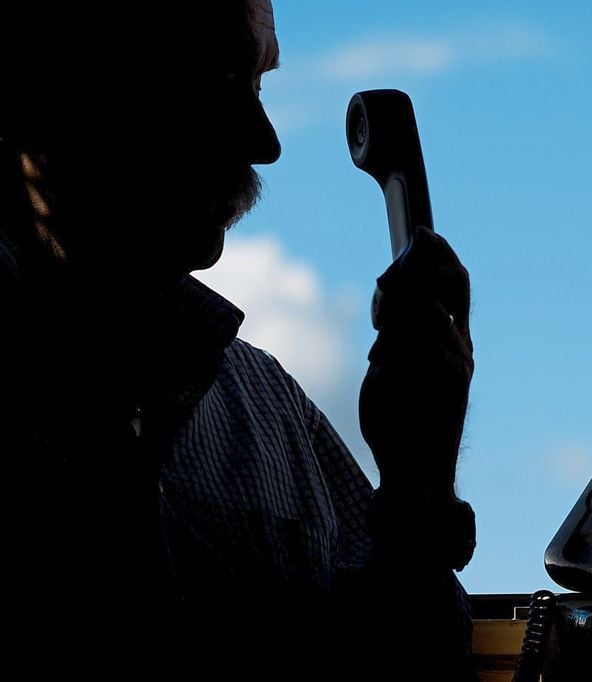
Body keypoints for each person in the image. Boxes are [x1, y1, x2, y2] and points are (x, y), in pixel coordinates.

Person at [1, 1, 476, 677]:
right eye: (217, 84)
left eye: (256, 86)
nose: (265, 140)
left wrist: (417, 486)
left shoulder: (271, 408)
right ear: (63, 92)